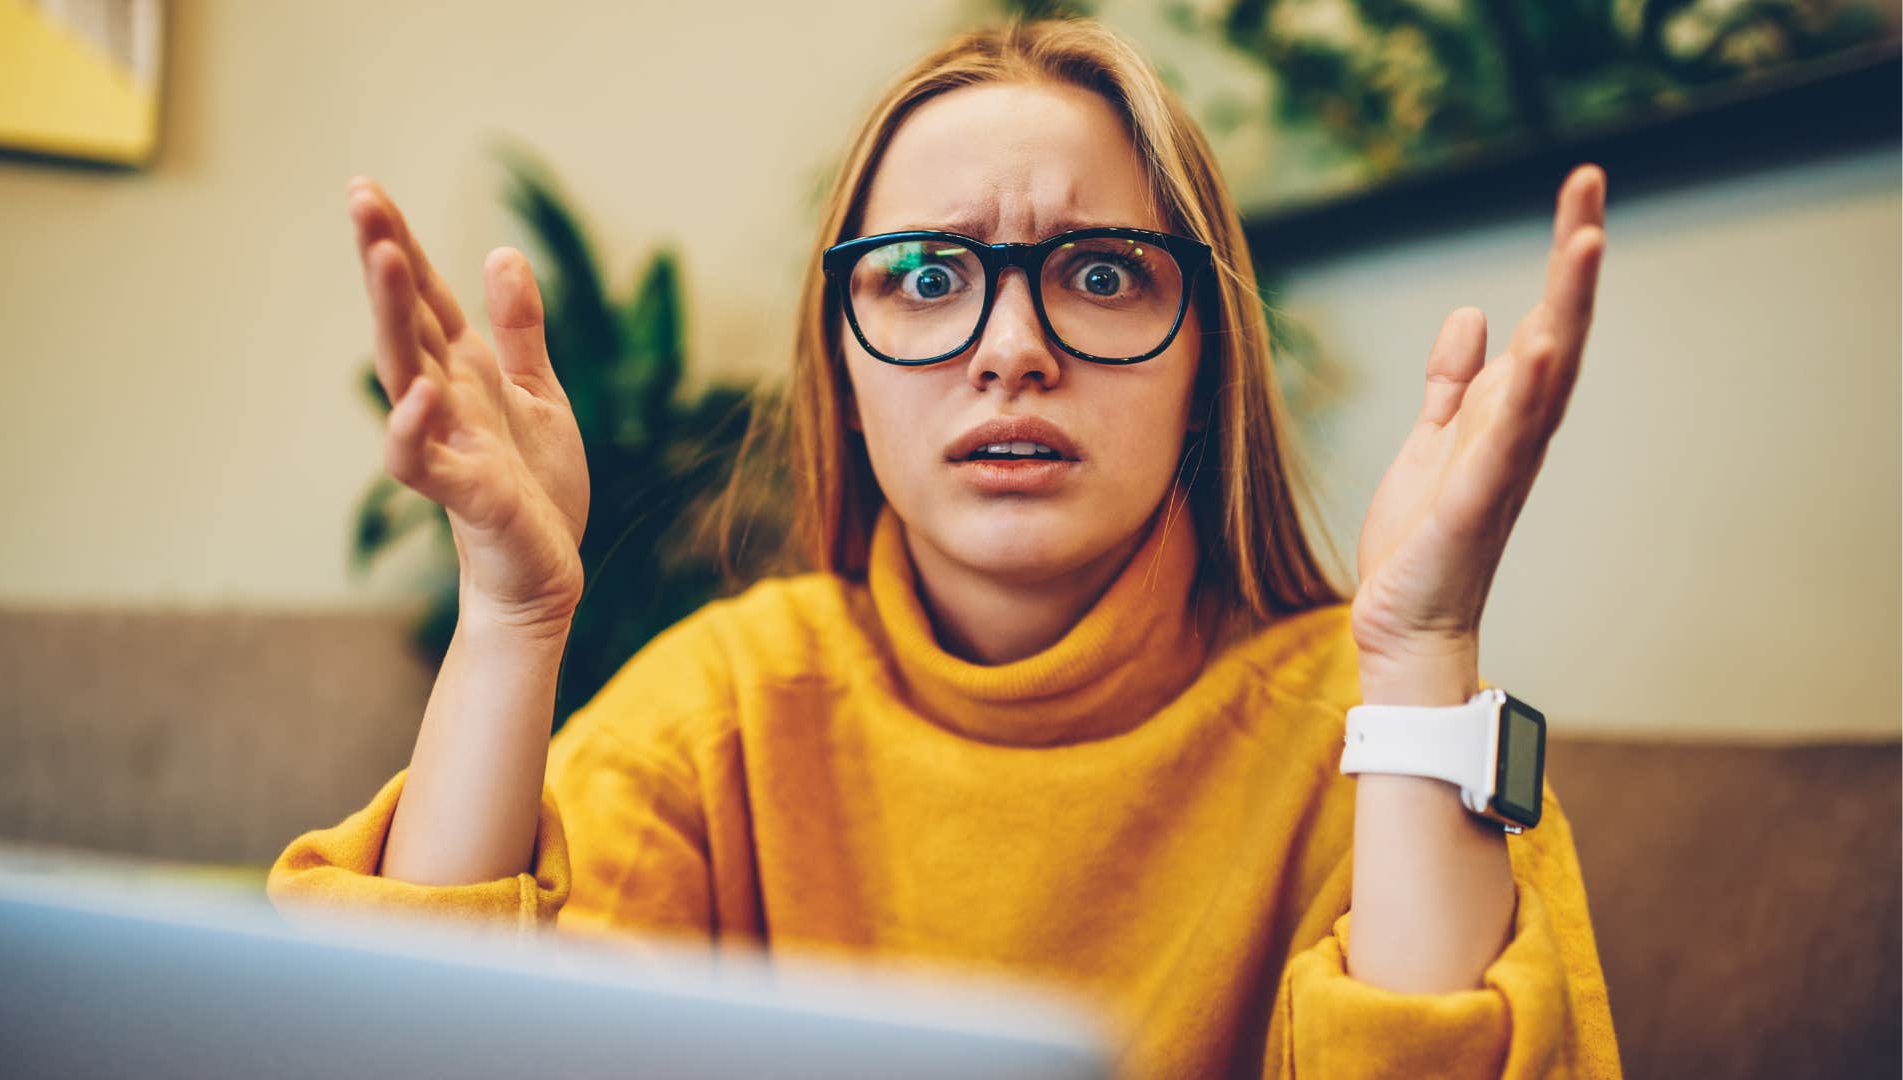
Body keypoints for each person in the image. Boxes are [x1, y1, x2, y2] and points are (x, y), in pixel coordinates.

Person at [270, 17, 1620, 1078]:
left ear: (1207, 358)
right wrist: (509, 622)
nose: (1013, 350)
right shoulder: (725, 707)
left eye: (1100, 274)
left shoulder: (1389, 724)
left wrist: (1424, 657)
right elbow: (421, 1052)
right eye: (924, 279)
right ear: (842, 361)